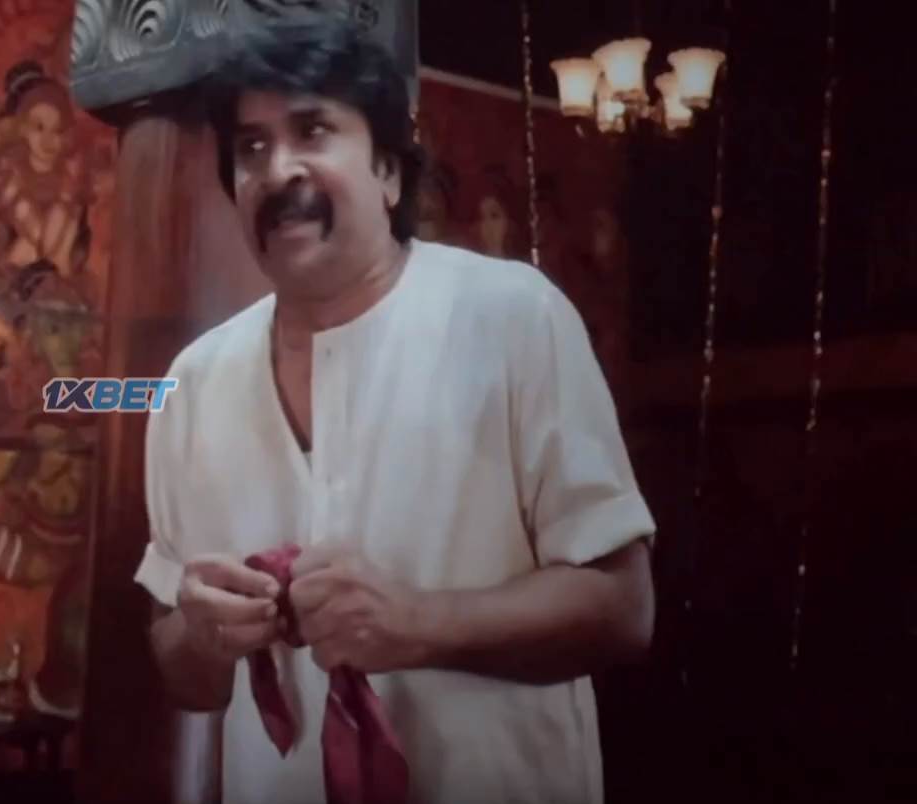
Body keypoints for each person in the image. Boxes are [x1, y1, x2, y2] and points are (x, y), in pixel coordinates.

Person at [134, 17, 655, 804]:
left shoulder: (514, 318)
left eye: (312, 130)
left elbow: (623, 609)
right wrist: (202, 636)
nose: (278, 169)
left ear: (386, 170)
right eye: (251, 148)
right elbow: (185, 677)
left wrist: (419, 622)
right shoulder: (193, 383)